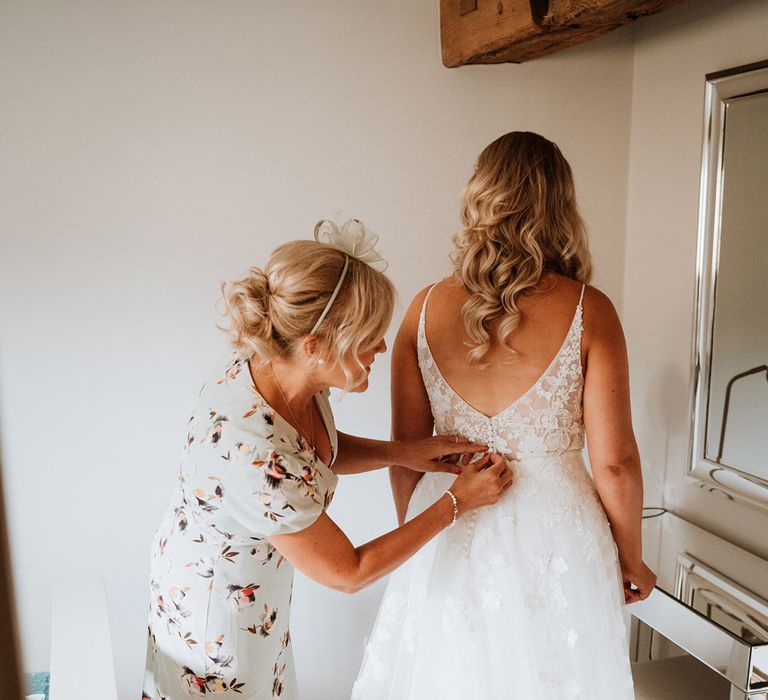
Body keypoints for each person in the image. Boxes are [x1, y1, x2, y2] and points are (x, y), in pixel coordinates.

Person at [141, 219, 513, 700]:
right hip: (218, 624)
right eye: (369, 337)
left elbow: (310, 454)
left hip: (254, 595)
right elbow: (349, 571)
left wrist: (406, 452)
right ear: (316, 346)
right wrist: (456, 503)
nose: (381, 347)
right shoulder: (250, 450)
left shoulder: (283, 368)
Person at [352, 132, 656, 699]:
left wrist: (420, 533)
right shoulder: (591, 310)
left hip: (446, 518)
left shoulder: (422, 308)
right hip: (557, 534)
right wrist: (631, 558)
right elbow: (615, 462)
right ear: (561, 207)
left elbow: (406, 453)